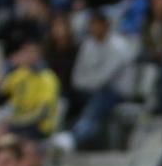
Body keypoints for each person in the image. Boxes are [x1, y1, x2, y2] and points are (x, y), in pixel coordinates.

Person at [53, 11, 135, 153]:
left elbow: (103, 78)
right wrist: (88, 82)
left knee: (101, 96)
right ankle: (57, 135)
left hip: (117, 92)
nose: (94, 28)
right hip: (90, 90)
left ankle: (74, 138)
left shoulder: (118, 46)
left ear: (106, 25)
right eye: (91, 25)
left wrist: (88, 81)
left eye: (97, 25)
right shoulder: (88, 45)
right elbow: (76, 77)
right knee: (65, 94)